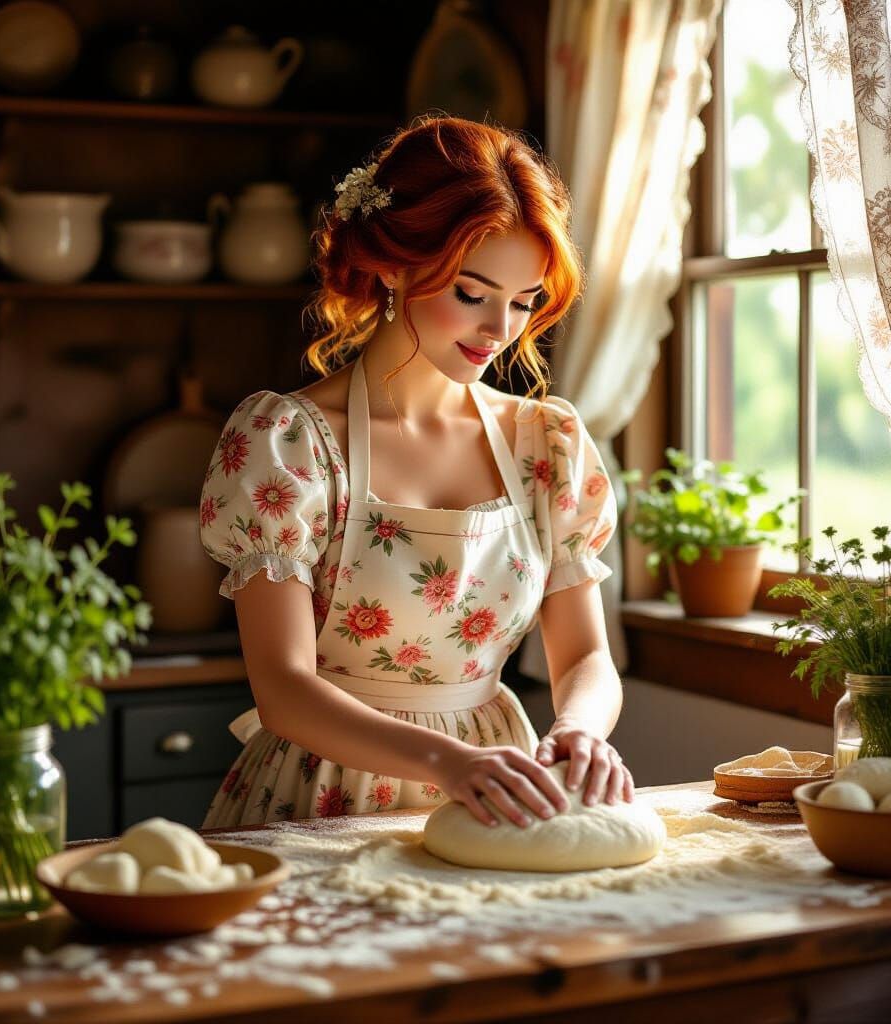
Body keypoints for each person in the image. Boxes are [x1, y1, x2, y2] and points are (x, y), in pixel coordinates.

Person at [198, 115, 632, 831]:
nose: (500, 330)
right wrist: (446, 764)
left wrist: (580, 730)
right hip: (324, 794)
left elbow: (585, 653)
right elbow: (283, 688)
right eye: (473, 293)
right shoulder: (288, 442)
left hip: (501, 787)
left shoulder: (546, 446)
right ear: (394, 264)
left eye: (524, 302)